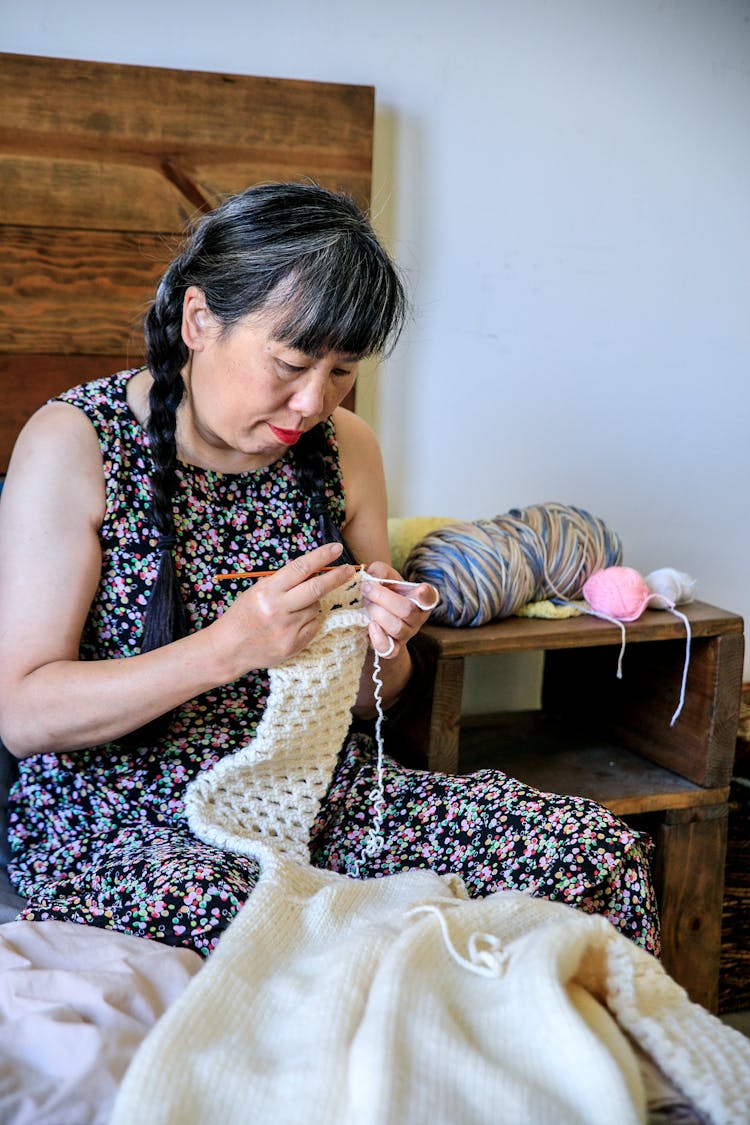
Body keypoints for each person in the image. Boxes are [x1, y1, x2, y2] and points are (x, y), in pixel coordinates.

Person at [0, 183, 660, 958]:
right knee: (284, 928)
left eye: (343, 371)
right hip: (126, 817)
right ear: (200, 320)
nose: (313, 400)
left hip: (325, 797)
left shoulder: (349, 449)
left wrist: (389, 640)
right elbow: (22, 713)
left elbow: (378, 694)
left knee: (590, 848)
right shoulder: (76, 442)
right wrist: (229, 648)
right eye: (289, 362)